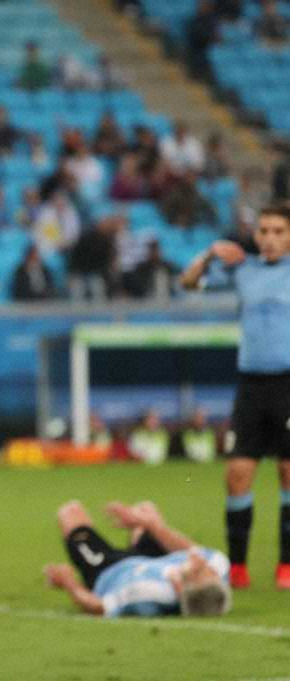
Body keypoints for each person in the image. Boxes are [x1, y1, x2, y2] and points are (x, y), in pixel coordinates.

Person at [180, 202, 290, 590]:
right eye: (264, 231)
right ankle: (238, 567)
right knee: (238, 474)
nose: (269, 238)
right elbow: (188, 283)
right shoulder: (243, 269)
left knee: (288, 472)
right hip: (251, 385)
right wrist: (209, 255)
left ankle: (286, 565)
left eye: (278, 231)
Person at [45, 500, 232, 617]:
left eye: (198, 570)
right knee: (145, 508)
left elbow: (99, 607)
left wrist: (68, 582)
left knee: (70, 511)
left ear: (179, 587)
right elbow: (191, 549)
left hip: (109, 569)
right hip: (150, 560)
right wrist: (150, 524)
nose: (200, 560)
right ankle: (141, 525)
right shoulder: (218, 566)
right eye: (211, 572)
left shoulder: (146, 592)